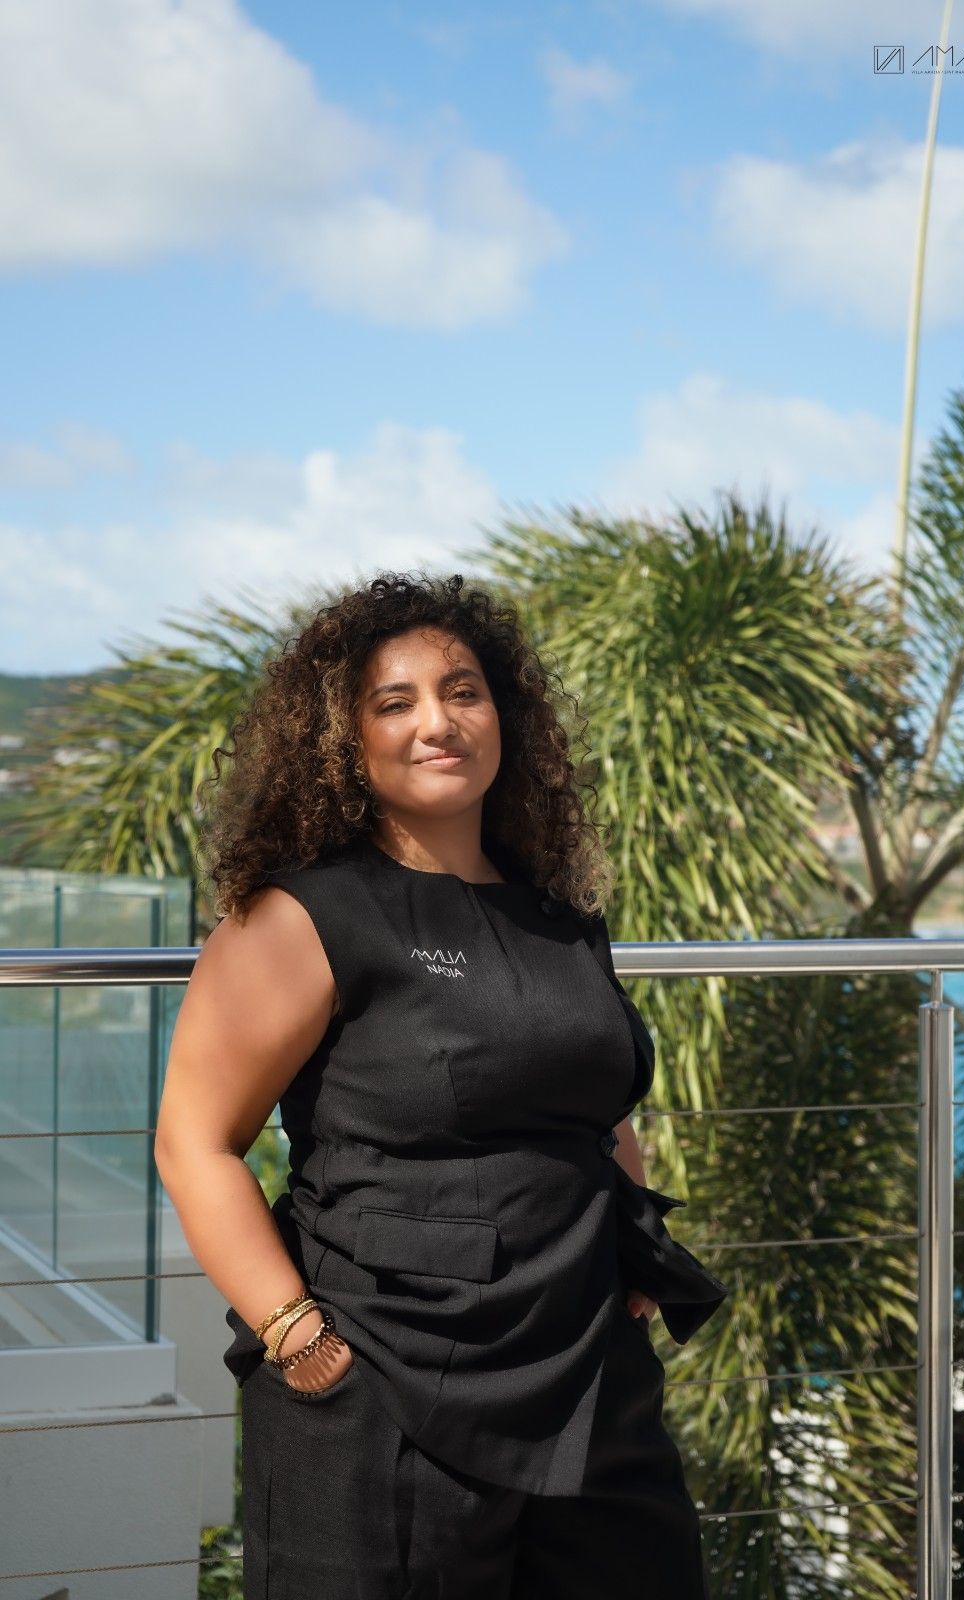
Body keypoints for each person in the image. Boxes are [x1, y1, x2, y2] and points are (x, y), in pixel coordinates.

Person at [155, 570, 729, 1599]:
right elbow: (193, 1140)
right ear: (345, 737)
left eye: (463, 691)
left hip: (587, 1371)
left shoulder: (551, 917)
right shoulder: (303, 917)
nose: (438, 721)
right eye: (396, 700)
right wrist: (295, 1334)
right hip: (384, 1375)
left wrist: (630, 1233)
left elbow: (596, 1107)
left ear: (501, 714)